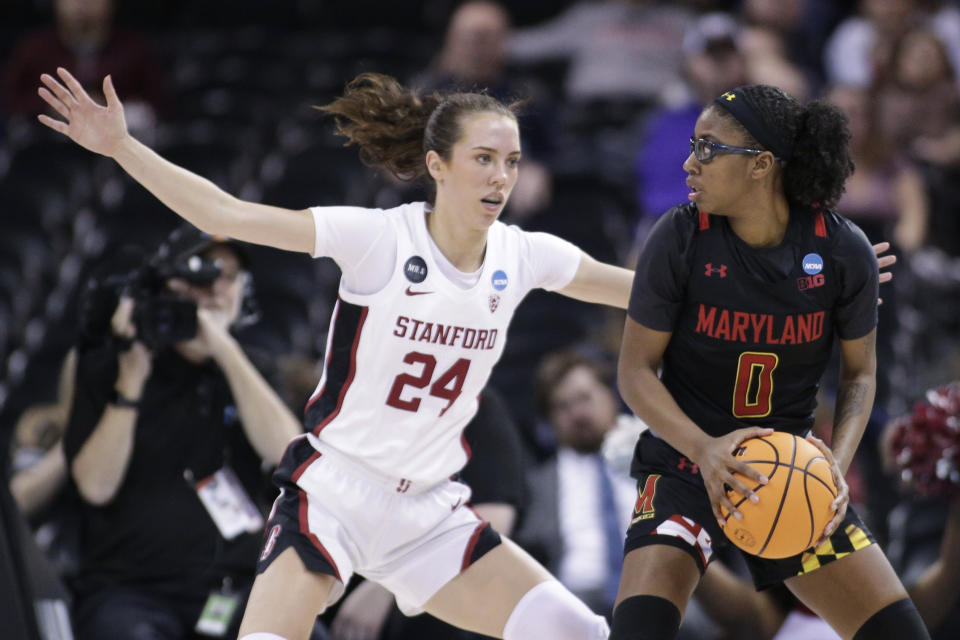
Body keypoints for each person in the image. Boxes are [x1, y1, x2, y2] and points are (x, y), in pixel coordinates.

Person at [37, 67, 633, 640]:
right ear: (437, 165)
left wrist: (721, 271)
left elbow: (642, 291)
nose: (501, 178)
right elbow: (225, 214)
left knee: (579, 630)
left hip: (429, 512)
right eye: (484, 159)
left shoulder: (525, 255)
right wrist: (121, 146)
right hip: (335, 497)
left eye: (512, 162)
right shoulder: (378, 239)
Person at [612, 84, 931, 640]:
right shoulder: (678, 236)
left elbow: (860, 374)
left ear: (761, 165)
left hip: (785, 470)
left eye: (708, 149)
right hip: (685, 466)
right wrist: (705, 450)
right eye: (692, 145)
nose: (690, 163)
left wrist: (836, 463)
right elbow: (634, 373)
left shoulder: (840, 249)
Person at [62, 225, 303, 639]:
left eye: (228, 277)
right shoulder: (112, 363)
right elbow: (95, 486)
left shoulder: (254, 368)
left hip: (231, 590)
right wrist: (132, 380)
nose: (213, 288)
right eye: (201, 274)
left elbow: (288, 453)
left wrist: (225, 349)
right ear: (167, 283)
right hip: (131, 592)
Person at [516, 349, 644, 618]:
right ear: (549, 420)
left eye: (585, 398)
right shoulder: (534, 487)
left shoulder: (655, 458)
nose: (577, 414)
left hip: (659, 598)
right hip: (575, 605)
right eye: (563, 406)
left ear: (611, 397)